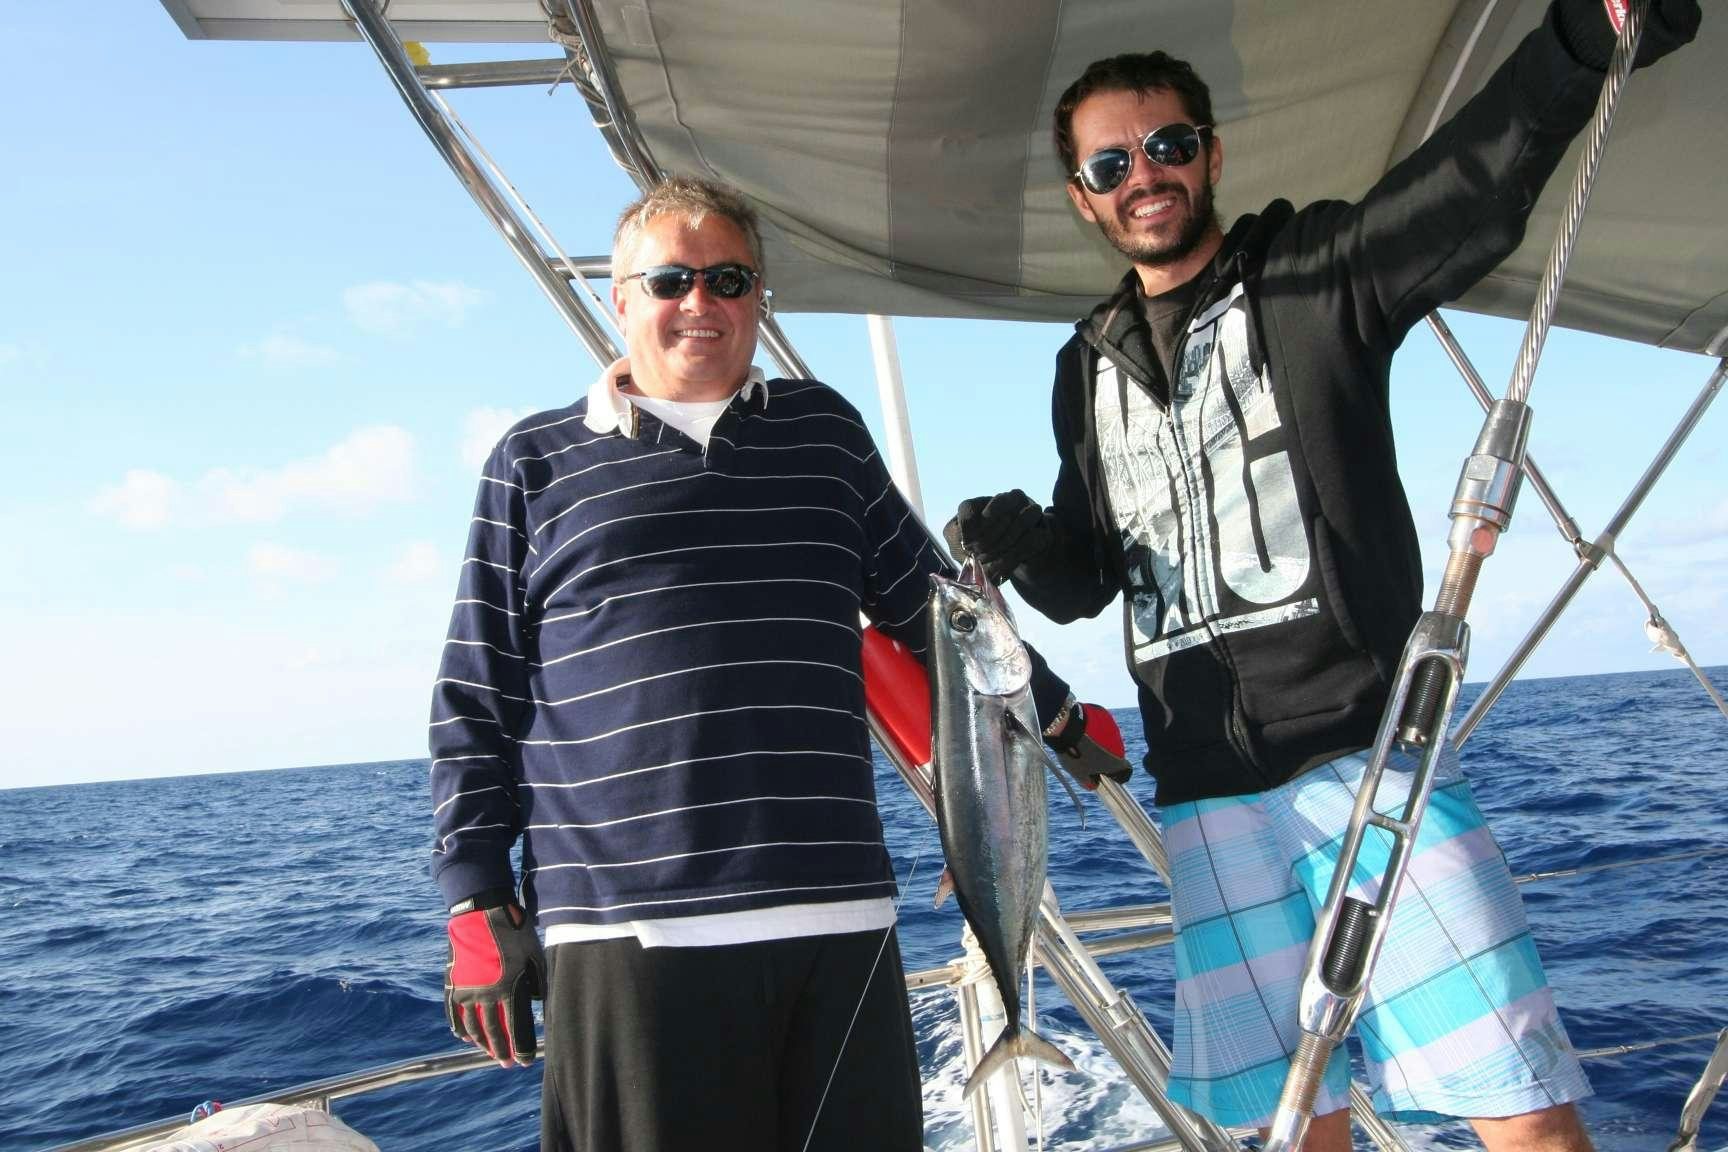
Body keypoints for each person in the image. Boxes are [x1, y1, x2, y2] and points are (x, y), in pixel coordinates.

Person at [945, 3, 1699, 1150]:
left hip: (1371, 769)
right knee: (1297, 1132)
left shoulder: (1315, 274)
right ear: (1084, 198)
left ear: (1211, 154)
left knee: (1524, 1115)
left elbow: (1466, 187)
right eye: (1111, 163)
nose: (1144, 175)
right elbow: (1088, 578)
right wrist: (1022, 544)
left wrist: (1582, 37)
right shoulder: (1080, 368)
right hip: (1204, 796)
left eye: (1167, 144)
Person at [426, 176, 1125, 1152]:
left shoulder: (823, 434)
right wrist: (474, 895)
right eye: (670, 279)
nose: (700, 301)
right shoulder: (534, 461)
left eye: (729, 279)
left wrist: (1056, 715)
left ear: (759, 296)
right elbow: (477, 690)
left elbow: (934, 613)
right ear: (619, 297)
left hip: (838, 920)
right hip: (632, 933)